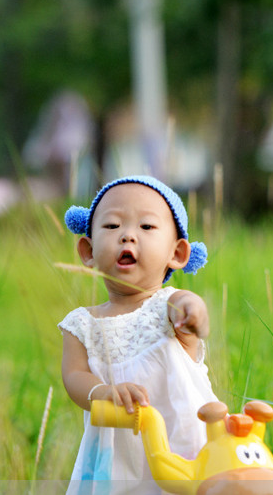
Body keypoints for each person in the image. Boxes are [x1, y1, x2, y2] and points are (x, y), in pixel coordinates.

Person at [59, 175, 217, 494]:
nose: (128, 235)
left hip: (180, 444)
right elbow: (73, 375)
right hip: (115, 450)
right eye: (112, 226)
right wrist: (102, 391)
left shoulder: (168, 306)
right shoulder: (82, 324)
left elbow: (186, 304)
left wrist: (193, 314)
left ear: (177, 253)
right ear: (87, 250)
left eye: (146, 227)